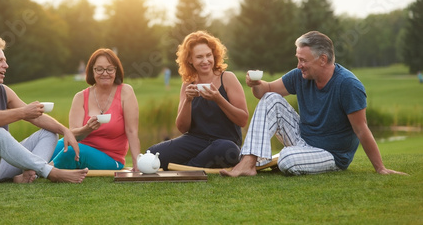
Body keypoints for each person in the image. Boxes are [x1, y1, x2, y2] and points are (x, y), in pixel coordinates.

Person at [221, 31, 407, 177]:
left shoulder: (348, 85)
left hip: (332, 154)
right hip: (303, 140)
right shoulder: (300, 76)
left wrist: (380, 168)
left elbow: (361, 129)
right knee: (271, 99)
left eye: (303, 60)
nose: (299, 65)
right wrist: (256, 84)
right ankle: (249, 162)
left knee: (286, 159)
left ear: (323, 60)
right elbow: (265, 90)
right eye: (298, 59)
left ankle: (268, 159)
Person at [0, 37, 88, 186]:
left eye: (5, 61)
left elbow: (36, 118)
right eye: (0, 61)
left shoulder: (3, 91)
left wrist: (64, 130)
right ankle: (49, 172)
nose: (6, 65)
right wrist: (22, 112)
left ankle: (29, 174)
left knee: (49, 132)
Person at [148, 30, 249, 169]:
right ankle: (194, 165)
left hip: (224, 142)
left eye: (209, 55)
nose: (205, 61)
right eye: (199, 57)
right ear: (190, 60)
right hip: (195, 141)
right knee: (152, 154)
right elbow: (183, 128)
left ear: (214, 55)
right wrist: (187, 101)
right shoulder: (187, 85)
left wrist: (218, 99)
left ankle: (187, 167)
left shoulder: (227, 78)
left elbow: (242, 120)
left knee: (227, 150)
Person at [50, 48, 141, 171]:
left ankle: (39, 171)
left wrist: (137, 163)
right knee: (50, 145)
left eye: (109, 69)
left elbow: (132, 131)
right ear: (92, 71)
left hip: (110, 158)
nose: (105, 73)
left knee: (72, 151)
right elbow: (72, 134)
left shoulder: (126, 92)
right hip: (81, 145)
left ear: (116, 70)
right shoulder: (80, 97)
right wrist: (87, 129)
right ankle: (23, 170)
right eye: (99, 69)